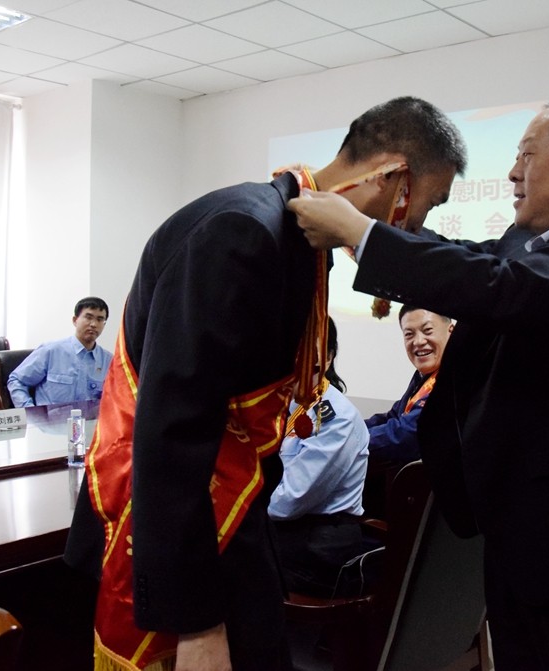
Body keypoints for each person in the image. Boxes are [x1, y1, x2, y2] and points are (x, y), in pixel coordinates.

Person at [63, 96, 467, 671]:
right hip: (181, 533)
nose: (420, 224)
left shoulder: (295, 237)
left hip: (234, 511)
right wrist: (197, 622)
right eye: (430, 202)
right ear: (395, 179)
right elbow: (175, 427)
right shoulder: (241, 231)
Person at [290, 97, 549, 670]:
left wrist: (365, 235)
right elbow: (468, 258)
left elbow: (504, 286)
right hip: (518, 530)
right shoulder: (529, 241)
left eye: (527, 156)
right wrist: (387, 228)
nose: (512, 173)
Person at [269, 317, 372, 597]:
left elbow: (290, 501)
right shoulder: (281, 404)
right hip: (283, 534)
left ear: (327, 358)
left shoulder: (337, 418)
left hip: (315, 548)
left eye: (308, 355)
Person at [365, 304, 453, 465]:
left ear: (451, 331)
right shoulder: (423, 375)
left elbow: (406, 436)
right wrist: (349, 428)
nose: (418, 341)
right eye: (409, 334)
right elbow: (393, 416)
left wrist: (351, 440)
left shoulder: (454, 377)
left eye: (428, 330)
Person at [7, 297, 112, 407]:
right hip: (50, 417)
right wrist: (31, 411)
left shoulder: (108, 360)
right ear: (75, 320)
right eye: (88, 317)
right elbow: (16, 380)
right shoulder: (50, 351)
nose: (94, 324)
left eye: (100, 319)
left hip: (91, 418)